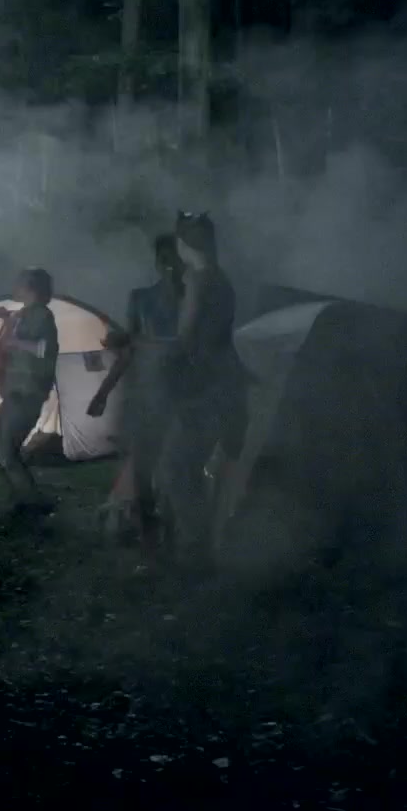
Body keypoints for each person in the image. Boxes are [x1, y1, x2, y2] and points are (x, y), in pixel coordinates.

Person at [158, 212, 250, 560]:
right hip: (223, 383)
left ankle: (197, 550)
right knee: (187, 466)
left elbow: (187, 339)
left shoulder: (200, 280)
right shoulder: (221, 279)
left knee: (177, 469)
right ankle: (193, 543)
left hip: (204, 387)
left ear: (183, 244)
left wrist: (139, 344)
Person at [88, 234, 185, 546]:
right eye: (164, 258)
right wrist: (103, 392)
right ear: (157, 262)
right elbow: (128, 351)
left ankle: (176, 532)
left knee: (175, 467)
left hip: (184, 394)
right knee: (142, 466)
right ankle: (148, 533)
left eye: (175, 258)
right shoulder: (141, 299)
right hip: (147, 392)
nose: (170, 265)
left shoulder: (194, 299)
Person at [0, 269, 60, 514]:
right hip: (14, 391)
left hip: (27, 393)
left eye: (18, 283)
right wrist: (6, 320)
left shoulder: (43, 315)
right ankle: (21, 497)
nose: (14, 287)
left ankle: (33, 503)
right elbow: (12, 340)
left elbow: (45, 348)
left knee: (6, 454)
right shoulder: (24, 314)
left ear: (31, 288)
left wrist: (15, 342)